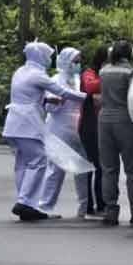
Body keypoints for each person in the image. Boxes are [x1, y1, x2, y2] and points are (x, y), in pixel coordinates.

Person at [3, 41, 86, 222]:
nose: (49, 60)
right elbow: (64, 92)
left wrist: (48, 100)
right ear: (40, 56)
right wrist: (86, 97)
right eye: (47, 56)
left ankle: (26, 202)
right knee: (39, 160)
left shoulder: (21, 72)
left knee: (23, 163)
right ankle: (25, 202)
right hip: (27, 123)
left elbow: (29, 95)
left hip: (13, 123)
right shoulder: (38, 75)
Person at [38, 48, 93, 218]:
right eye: (75, 61)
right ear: (65, 61)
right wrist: (58, 102)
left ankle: (84, 208)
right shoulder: (55, 80)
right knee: (56, 170)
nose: (78, 65)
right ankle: (44, 207)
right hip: (59, 129)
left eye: (79, 61)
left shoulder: (78, 80)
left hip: (77, 129)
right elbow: (48, 107)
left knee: (82, 169)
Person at [98, 40, 133, 227]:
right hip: (124, 119)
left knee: (109, 169)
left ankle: (110, 212)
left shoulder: (103, 70)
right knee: (132, 169)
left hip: (104, 119)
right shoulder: (131, 72)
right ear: (129, 53)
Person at [78, 46, 108, 215]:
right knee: (92, 166)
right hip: (89, 126)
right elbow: (89, 87)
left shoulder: (100, 73)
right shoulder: (89, 73)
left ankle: (101, 203)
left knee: (101, 167)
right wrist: (108, 77)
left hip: (102, 124)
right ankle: (89, 203)